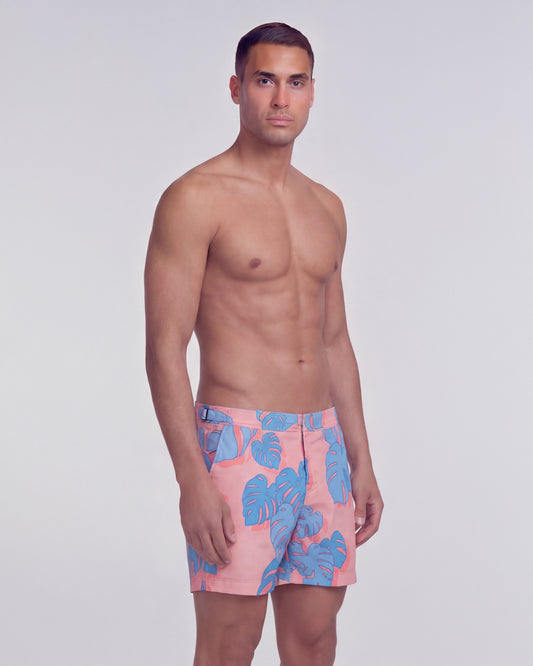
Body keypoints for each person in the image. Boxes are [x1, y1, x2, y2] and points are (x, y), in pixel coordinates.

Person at [144, 22, 383, 666]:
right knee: (230, 644)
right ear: (236, 88)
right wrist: (191, 478)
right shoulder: (195, 198)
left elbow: (335, 340)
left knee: (314, 639)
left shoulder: (327, 207)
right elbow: (164, 349)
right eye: (265, 80)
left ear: (312, 92)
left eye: (296, 82)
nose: (281, 98)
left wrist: (360, 459)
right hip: (239, 444)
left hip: (322, 446)